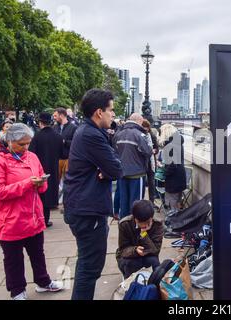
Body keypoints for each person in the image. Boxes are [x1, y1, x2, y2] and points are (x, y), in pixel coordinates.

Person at [0, 123, 64, 300]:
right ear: (9, 141)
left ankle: (43, 282)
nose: (25, 147)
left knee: (37, 253)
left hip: (32, 216)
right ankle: (17, 291)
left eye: (28, 143)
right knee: (13, 259)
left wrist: (41, 182)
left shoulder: (31, 157)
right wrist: (27, 184)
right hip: (9, 219)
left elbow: (41, 185)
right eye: (21, 144)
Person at [63, 89, 123, 300]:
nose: (113, 115)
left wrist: (104, 170)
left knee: (88, 265)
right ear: (99, 112)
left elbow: (112, 163)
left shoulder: (88, 131)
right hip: (87, 211)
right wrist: (107, 170)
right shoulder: (91, 135)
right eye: (111, 110)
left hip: (82, 207)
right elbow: (116, 169)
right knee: (90, 268)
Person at [113, 113, 152, 219]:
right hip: (137, 173)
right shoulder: (139, 135)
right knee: (136, 204)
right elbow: (148, 151)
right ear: (139, 121)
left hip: (122, 172)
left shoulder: (118, 134)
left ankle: (124, 226)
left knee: (124, 203)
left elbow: (114, 151)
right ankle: (135, 227)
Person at [29, 112, 65, 227]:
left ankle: (39, 219)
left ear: (40, 122)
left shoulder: (36, 137)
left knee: (40, 194)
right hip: (53, 169)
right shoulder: (58, 137)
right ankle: (46, 219)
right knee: (49, 193)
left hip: (39, 168)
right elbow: (62, 154)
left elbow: (31, 154)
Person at [116, 200, 164, 279]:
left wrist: (144, 234)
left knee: (154, 262)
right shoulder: (125, 224)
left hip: (148, 255)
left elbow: (155, 250)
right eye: (140, 222)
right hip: (129, 257)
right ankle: (130, 286)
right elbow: (122, 250)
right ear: (135, 218)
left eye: (147, 222)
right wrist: (135, 250)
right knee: (131, 263)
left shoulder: (157, 224)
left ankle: (154, 286)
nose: (144, 225)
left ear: (151, 218)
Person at [159, 124, 186, 211]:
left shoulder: (171, 145)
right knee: (177, 202)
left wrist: (165, 173)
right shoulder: (177, 142)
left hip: (173, 179)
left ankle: (172, 223)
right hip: (179, 177)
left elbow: (173, 164)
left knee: (171, 204)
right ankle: (177, 221)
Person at [53, 107, 77, 202]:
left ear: (62, 115)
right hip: (57, 158)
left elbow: (75, 143)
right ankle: (55, 200)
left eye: (56, 115)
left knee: (67, 181)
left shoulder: (73, 127)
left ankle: (66, 201)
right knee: (55, 181)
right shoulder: (55, 127)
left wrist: (64, 142)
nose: (54, 117)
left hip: (68, 158)